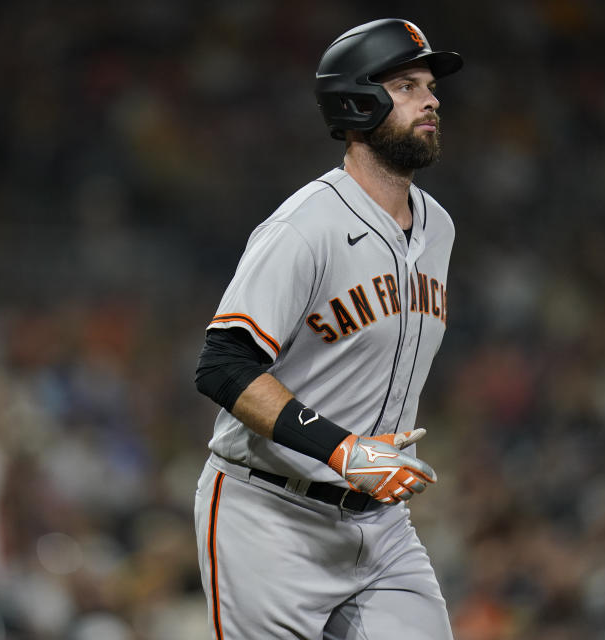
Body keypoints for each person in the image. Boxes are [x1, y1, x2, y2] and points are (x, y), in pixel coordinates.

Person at [193, 18, 462, 639]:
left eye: (429, 85)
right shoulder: (303, 228)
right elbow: (222, 365)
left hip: (381, 526)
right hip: (269, 519)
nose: (431, 99)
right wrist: (344, 449)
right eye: (407, 85)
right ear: (356, 102)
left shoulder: (439, 227)